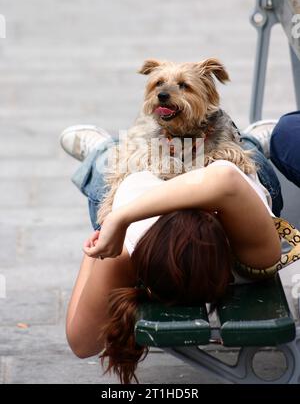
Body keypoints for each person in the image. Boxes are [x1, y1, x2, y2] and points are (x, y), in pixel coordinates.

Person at [60, 119, 291, 384]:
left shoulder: (124, 253)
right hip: (218, 162)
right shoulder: (254, 254)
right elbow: (225, 177)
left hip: (135, 178)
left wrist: (102, 241)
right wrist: (119, 225)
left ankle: (103, 149)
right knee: (243, 153)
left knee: (107, 169)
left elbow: (81, 343)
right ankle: (252, 140)